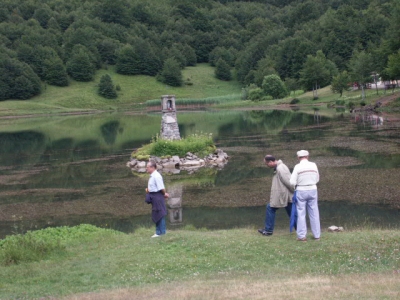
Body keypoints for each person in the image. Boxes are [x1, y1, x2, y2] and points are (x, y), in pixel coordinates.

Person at [258, 155, 295, 236]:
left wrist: (295, 192)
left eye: (267, 164)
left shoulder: (281, 168)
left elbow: (289, 181)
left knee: (270, 207)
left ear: (271, 162)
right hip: (285, 195)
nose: (267, 166)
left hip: (284, 195)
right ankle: (300, 229)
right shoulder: (279, 167)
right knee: (291, 212)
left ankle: (268, 230)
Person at [290, 150, 320, 242]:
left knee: (301, 213)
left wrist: (295, 186)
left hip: (301, 190)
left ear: (298, 158)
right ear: (308, 156)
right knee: (314, 212)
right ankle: (317, 235)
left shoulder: (297, 166)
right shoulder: (313, 165)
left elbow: (292, 181)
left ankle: (302, 236)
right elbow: (317, 178)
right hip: (313, 189)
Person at [145, 161, 169, 238]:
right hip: (154, 196)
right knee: (156, 213)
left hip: (157, 196)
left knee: (160, 213)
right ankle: (160, 231)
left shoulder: (156, 176)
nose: (146, 168)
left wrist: (164, 194)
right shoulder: (152, 175)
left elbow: (161, 187)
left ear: (152, 167)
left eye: (147, 167)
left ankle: (160, 232)